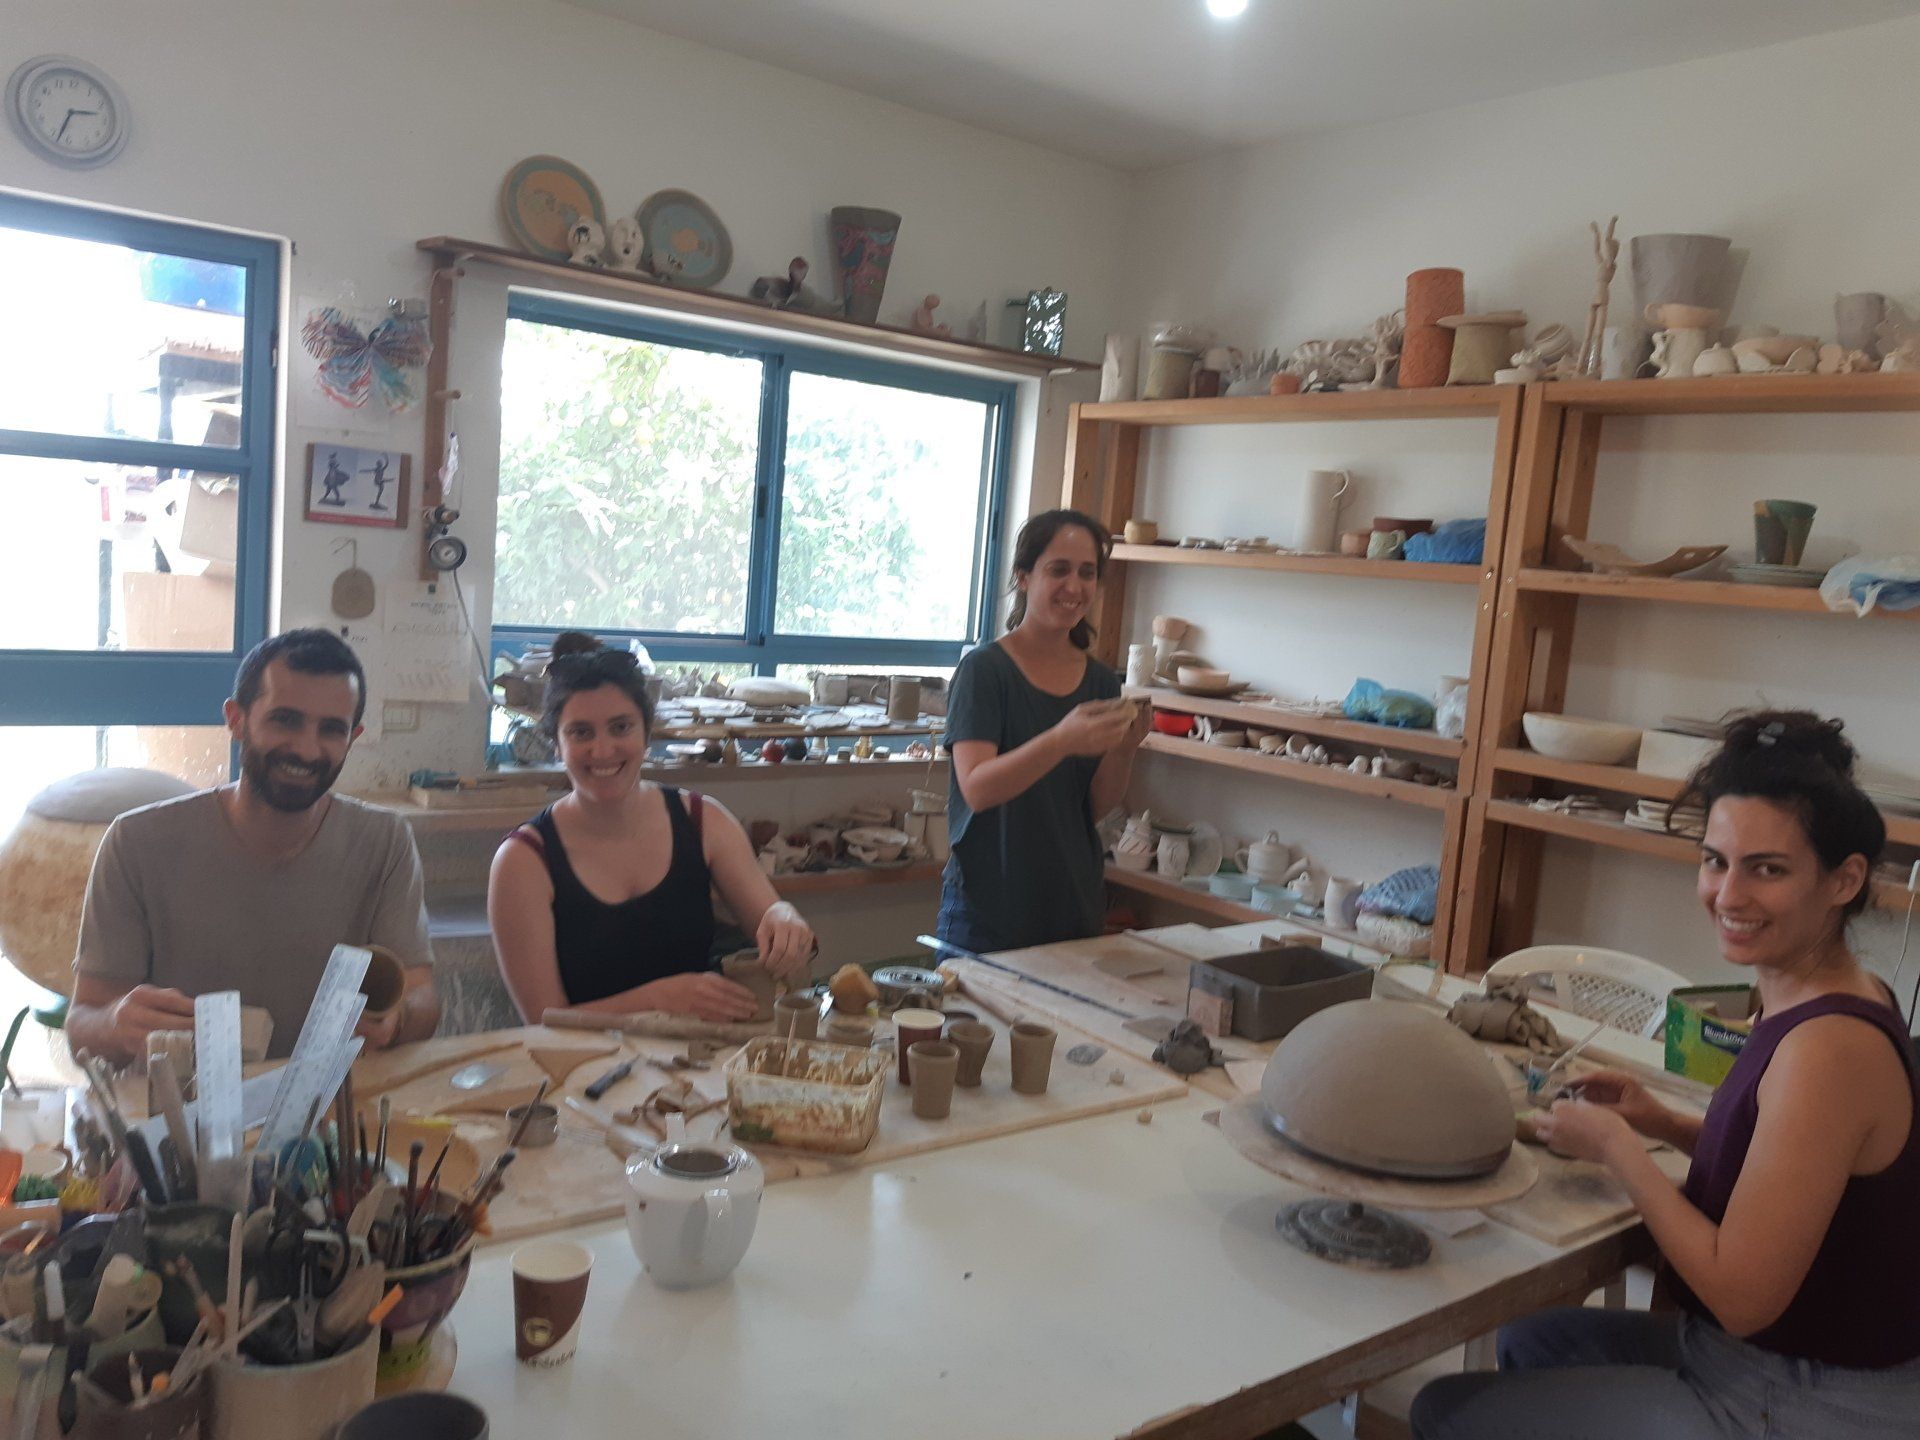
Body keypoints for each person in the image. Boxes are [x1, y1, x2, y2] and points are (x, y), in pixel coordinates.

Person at [1412, 710, 1920, 1439]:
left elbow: (1742, 1298)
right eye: (1715, 860)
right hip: (1765, 1358)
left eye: (1768, 869)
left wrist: (1619, 1149)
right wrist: (1663, 1123)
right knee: (1534, 1340)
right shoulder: (1837, 990)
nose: (1729, 895)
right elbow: (1797, 1174)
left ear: (1845, 879)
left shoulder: (1828, 1049)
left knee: (1443, 1410)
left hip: (1804, 1397)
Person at [70, 629, 439, 1063]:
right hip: (183, 1101)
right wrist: (116, 1025)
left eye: (331, 730)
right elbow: (83, 1024)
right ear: (236, 720)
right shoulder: (137, 843)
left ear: (352, 738)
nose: (307, 750)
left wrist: (397, 1021)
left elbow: (422, 997)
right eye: (285, 720)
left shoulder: (385, 842)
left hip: (326, 1101)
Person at [488, 633, 815, 1022]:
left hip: (694, 1053)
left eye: (621, 727)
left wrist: (783, 916)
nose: (602, 749)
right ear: (556, 744)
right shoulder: (523, 860)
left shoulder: (703, 820)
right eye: (581, 732)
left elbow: (771, 920)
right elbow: (543, 1020)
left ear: (646, 735)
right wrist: (658, 999)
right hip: (581, 1059)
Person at [937, 508, 1150, 954]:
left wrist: (1125, 751)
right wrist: (1060, 741)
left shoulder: (1100, 681)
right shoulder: (985, 671)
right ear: (1023, 577)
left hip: (1072, 906)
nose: (1074, 586)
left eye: (1087, 573)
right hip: (989, 911)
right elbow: (977, 789)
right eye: (1058, 570)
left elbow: (1091, 808)